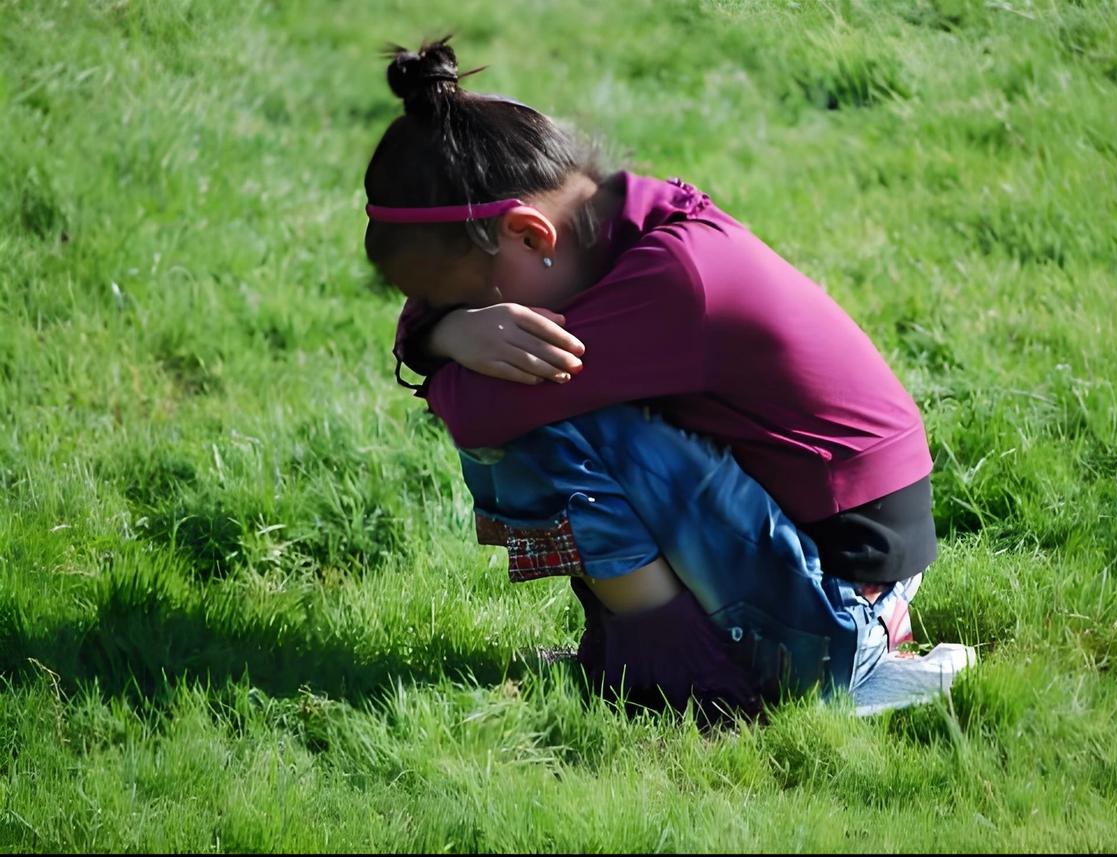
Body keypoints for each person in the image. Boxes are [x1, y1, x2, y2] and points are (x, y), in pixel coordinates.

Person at [364, 37, 936, 721]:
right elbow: (442, 358)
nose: (475, 319)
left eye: (468, 299)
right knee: (539, 393)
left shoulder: (673, 282)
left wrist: (441, 344)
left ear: (529, 236)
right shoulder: (619, 227)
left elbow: (478, 413)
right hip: (836, 570)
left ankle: (692, 678)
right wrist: (445, 331)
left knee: (538, 420)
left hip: (838, 608)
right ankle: (651, 650)